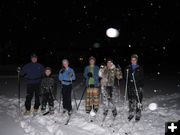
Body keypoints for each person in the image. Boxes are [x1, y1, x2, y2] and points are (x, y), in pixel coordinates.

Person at [124, 54, 144, 121]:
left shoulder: (140, 68)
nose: (133, 61)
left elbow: (142, 78)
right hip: (130, 86)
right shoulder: (128, 67)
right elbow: (125, 77)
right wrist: (127, 73)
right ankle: (131, 112)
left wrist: (141, 86)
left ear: (136, 60)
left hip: (137, 86)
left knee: (138, 100)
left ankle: (138, 113)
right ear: (131, 60)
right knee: (131, 100)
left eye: (134, 60)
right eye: (132, 60)